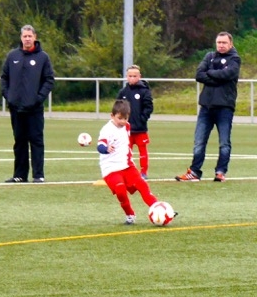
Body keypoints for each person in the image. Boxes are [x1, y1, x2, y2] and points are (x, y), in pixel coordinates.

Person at [176, 31, 241, 182]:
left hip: (224, 107)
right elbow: (199, 75)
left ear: (230, 44)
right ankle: (194, 172)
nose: (221, 45)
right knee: (199, 141)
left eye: (224, 42)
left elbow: (228, 75)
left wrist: (210, 73)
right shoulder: (209, 56)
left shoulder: (235, 59)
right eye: (219, 42)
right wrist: (217, 77)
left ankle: (220, 172)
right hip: (206, 107)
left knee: (224, 143)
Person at [0, 24, 55, 183]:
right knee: (19, 141)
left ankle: (38, 175)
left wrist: (38, 98)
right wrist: (9, 96)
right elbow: (4, 78)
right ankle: (20, 175)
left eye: (30, 36)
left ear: (35, 37)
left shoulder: (42, 57)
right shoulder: (12, 56)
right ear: (21, 38)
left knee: (36, 140)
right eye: (25, 36)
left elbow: (49, 80)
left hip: (34, 108)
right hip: (16, 108)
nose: (27, 39)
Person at [98, 100, 164, 225]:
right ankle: (130, 215)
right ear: (112, 116)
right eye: (120, 118)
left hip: (127, 165)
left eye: (125, 118)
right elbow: (100, 145)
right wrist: (106, 149)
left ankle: (158, 209)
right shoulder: (106, 130)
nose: (123, 121)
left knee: (142, 185)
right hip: (110, 168)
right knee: (120, 190)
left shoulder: (127, 126)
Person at [117, 64, 154, 180]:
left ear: (139, 76)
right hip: (126, 129)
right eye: (130, 76)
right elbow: (117, 108)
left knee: (142, 150)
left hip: (140, 128)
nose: (132, 78)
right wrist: (120, 121)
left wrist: (142, 118)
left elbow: (149, 107)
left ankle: (143, 172)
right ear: (126, 77)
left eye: (134, 76)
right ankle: (127, 172)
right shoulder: (123, 92)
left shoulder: (144, 91)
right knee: (126, 151)